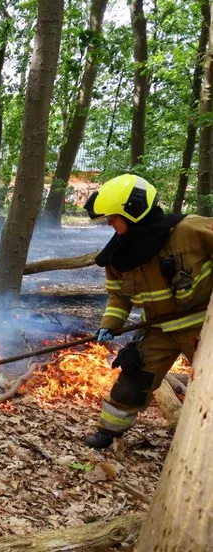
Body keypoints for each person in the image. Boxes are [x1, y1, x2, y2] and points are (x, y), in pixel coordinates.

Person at [83, 173, 213, 449]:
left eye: (113, 217)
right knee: (133, 380)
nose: (109, 223)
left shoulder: (189, 231)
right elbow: (118, 296)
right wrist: (109, 324)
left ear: (134, 211)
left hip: (203, 328)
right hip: (158, 330)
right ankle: (109, 431)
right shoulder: (118, 255)